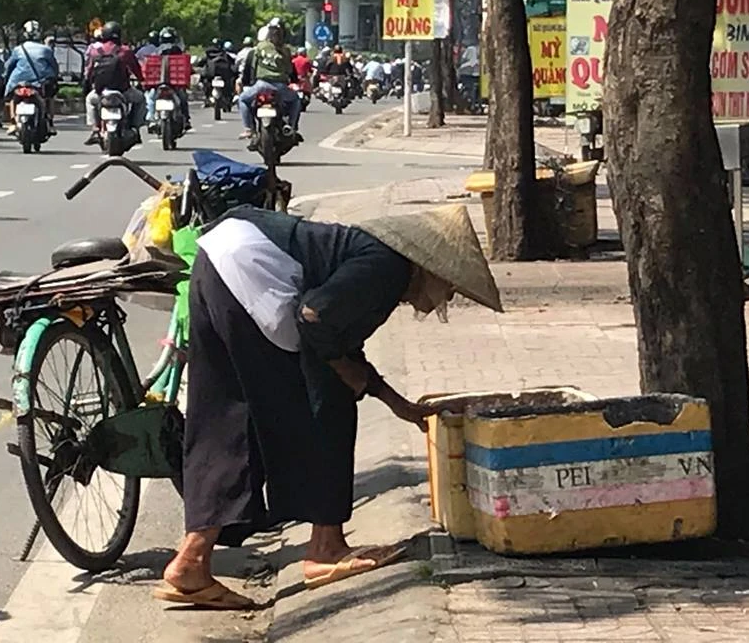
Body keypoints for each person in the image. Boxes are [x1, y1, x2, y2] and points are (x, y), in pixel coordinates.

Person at [153, 204, 502, 609]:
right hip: (254, 274)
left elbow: (342, 340)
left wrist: (396, 402)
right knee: (329, 401)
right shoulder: (387, 269)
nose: (448, 296)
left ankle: (190, 563)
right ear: (429, 267)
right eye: (450, 285)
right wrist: (344, 372)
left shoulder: (372, 260)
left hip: (215, 260)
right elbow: (315, 318)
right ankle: (326, 547)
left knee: (227, 418)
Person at [82, 21, 146, 146]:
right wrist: (141, 81)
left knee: (90, 100)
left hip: (101, 92)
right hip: (123, 91)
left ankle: (95, 129)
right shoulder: (125, 51)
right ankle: (135, 128)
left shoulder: (96, 51)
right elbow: (136, 70)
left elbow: (89, 71)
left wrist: (87, 84)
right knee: (141, 99)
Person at [237, 18, 301, 143]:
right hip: (281, 87)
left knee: (242, 99)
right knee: (296, 101)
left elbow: (253, 67)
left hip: (261, 85)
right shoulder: (286, 51)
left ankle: (249, 128)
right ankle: (291, 126)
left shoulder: (260, 47)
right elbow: (289, 70)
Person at [3, 20, 59, 135]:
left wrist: (5, 78)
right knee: (50, 97)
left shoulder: (18, 49)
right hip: (40, 83)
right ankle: (51, 123)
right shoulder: (46, 50)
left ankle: (13, 123)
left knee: (12, 99)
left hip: (19, 82)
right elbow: (54, 67)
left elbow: (8, 67)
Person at [145, 26, 190, 130]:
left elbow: (151, 66)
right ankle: (186, 119)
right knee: (182, 97)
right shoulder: (177, 50)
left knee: (151, 98)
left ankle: (151, 119)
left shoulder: (156, 51)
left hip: (158, 82)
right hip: (174, 82)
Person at [199, 37, 235, 105]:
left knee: (205, 82)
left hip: (211, 76)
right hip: (223, 75)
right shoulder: (224, 53)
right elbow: (232, 63)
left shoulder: (208, 54)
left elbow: (200, 63)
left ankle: (207, 99)